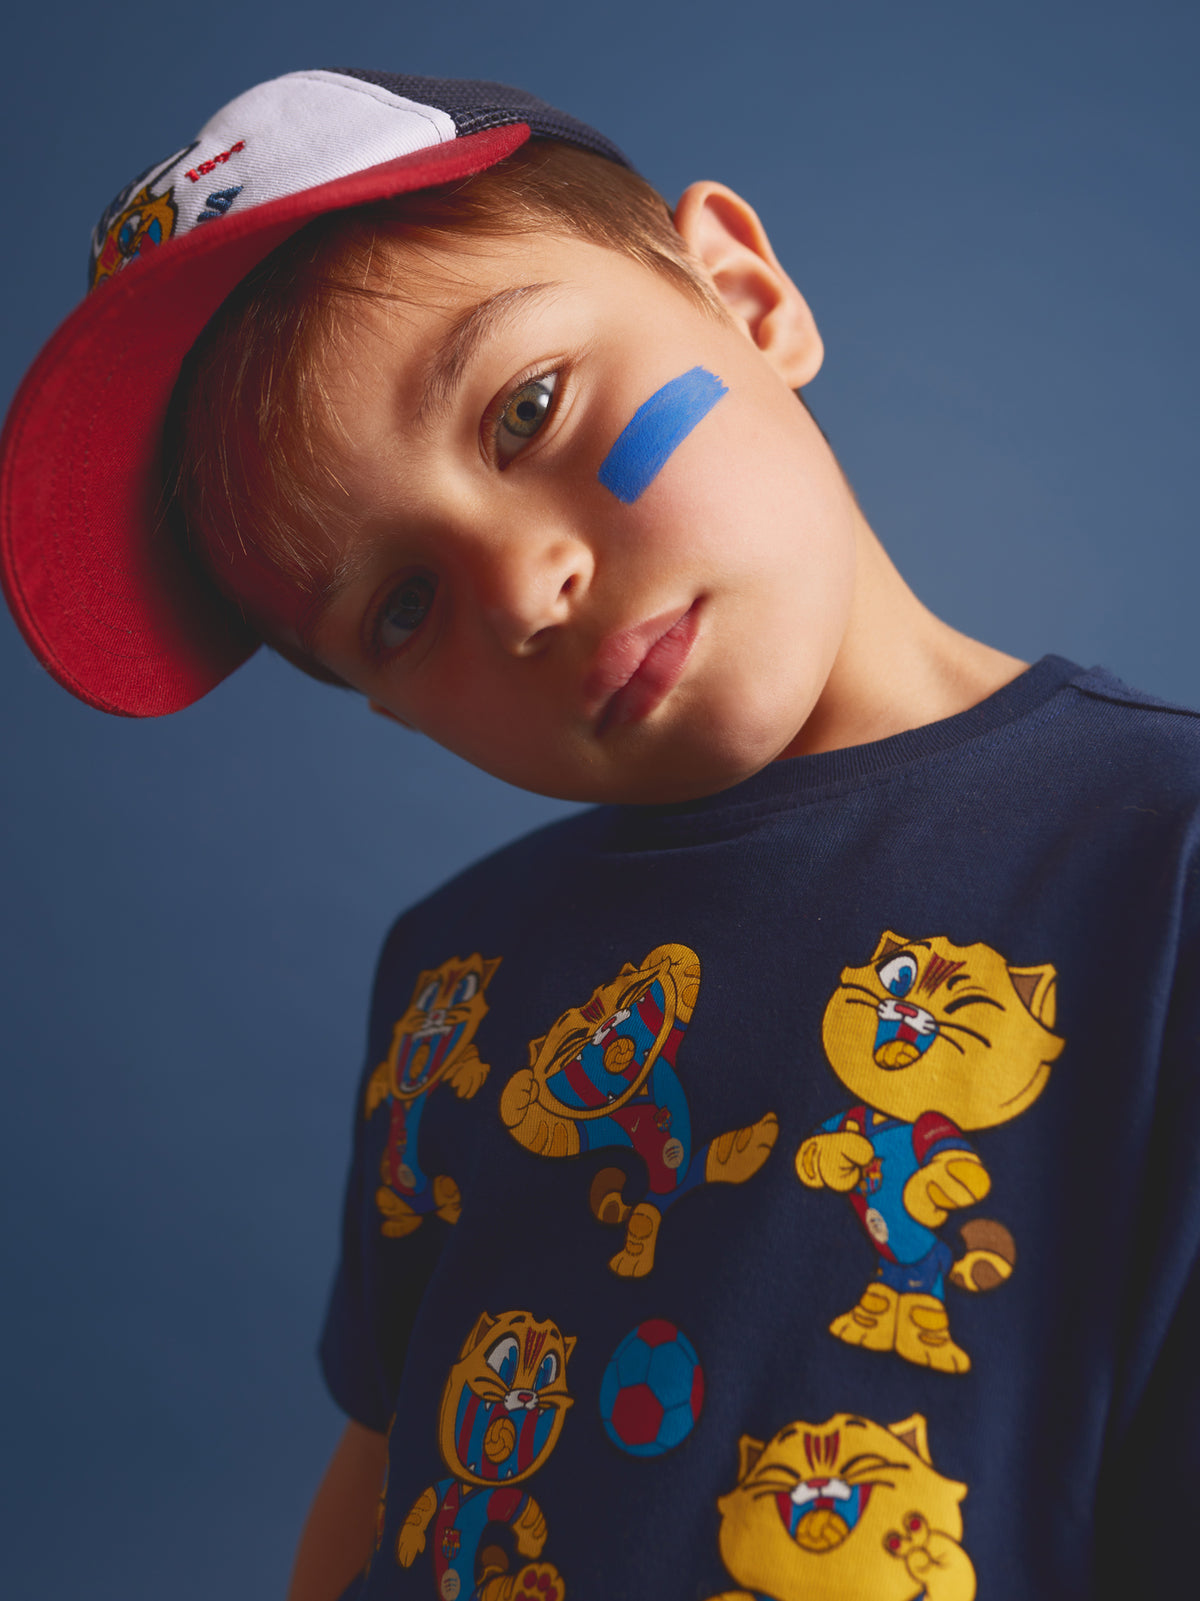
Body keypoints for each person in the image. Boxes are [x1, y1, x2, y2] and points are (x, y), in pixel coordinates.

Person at [2, 68, 1197, 1601]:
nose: (520, 588)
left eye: (528, 406)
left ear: (747, 296)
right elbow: (380, 1472)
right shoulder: (450, 988)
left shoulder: (1157, 869)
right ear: (387, 707)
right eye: (402, 607)